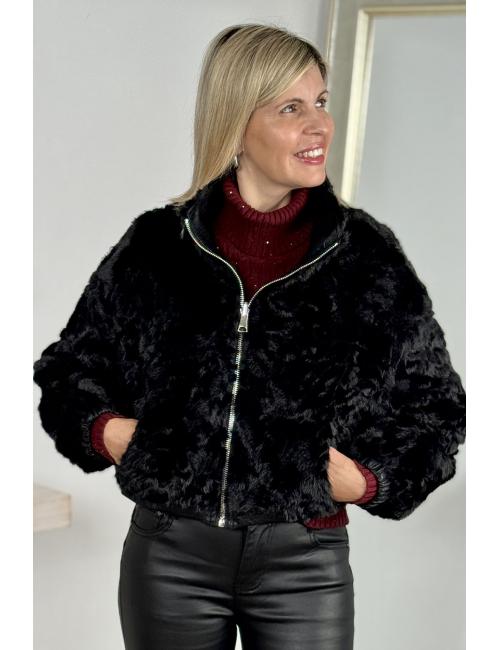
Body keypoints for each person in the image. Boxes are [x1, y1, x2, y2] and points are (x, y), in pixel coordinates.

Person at [33, 23, 466, 650]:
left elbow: (434, 405)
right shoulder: (159, 246)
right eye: (291, 108)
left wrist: (369, 480)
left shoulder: (364, 257)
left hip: (304, 563)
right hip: (171, 556)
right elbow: (69, 369)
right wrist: (110, 433)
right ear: (237, 124)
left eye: (321, 102)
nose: (319, 125)